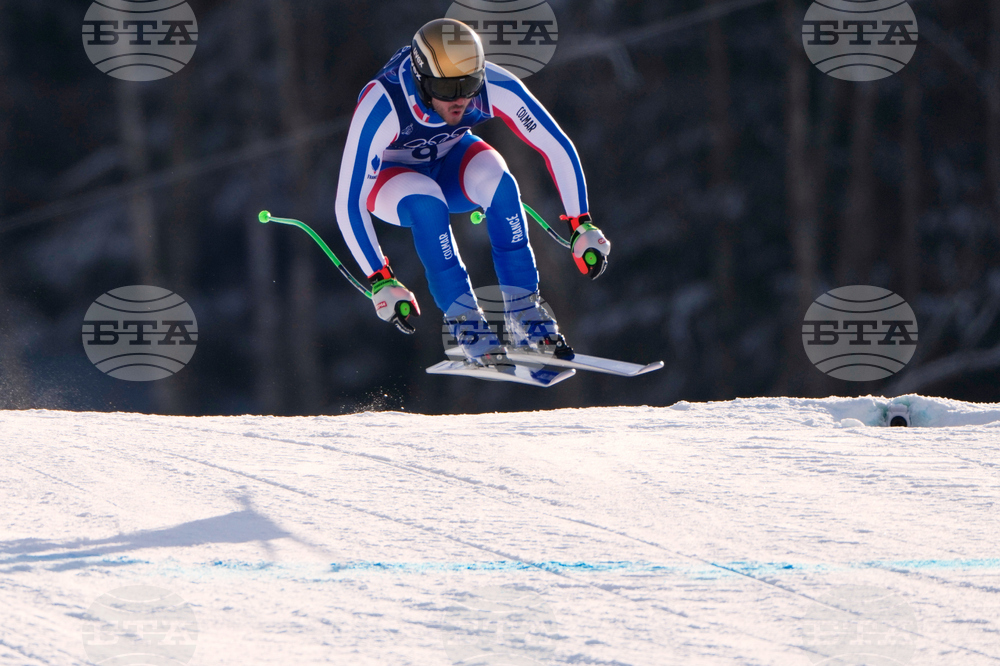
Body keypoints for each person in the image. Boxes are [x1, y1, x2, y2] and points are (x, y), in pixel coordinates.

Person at [334, 18, 610, 366]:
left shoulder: (494, 84)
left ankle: (526, 314)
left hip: (449, 158)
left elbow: (556, 145)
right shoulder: (383, 104)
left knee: (502, 186)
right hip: (392, 179)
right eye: (448, 90)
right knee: (427, 204)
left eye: (470, 84)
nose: (461, 100)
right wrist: (379, 277)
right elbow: (348, 203)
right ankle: (467, 325)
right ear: (421, 81)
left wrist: (581, 223)